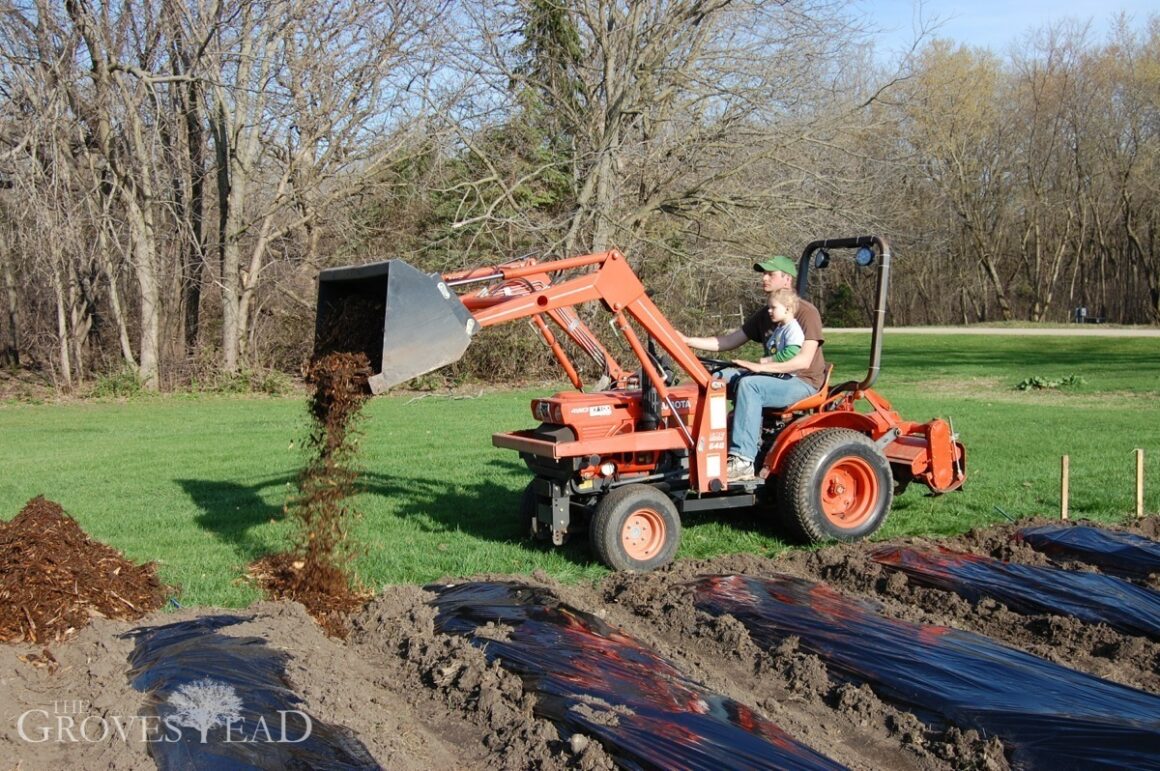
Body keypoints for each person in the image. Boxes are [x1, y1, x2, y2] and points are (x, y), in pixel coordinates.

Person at [682, 255, 827, 481]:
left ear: (787, 279)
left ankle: (742, 461)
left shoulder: (806, 313)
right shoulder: (765, 314)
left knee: (751, 386)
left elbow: (802, 361)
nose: (764, 278)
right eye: (763, 273)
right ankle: (694, 445)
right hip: (776, 377)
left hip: (801, 381)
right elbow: (728, 341)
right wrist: (687, 341)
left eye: (770, 274)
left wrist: (758, 366)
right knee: (717, 378)